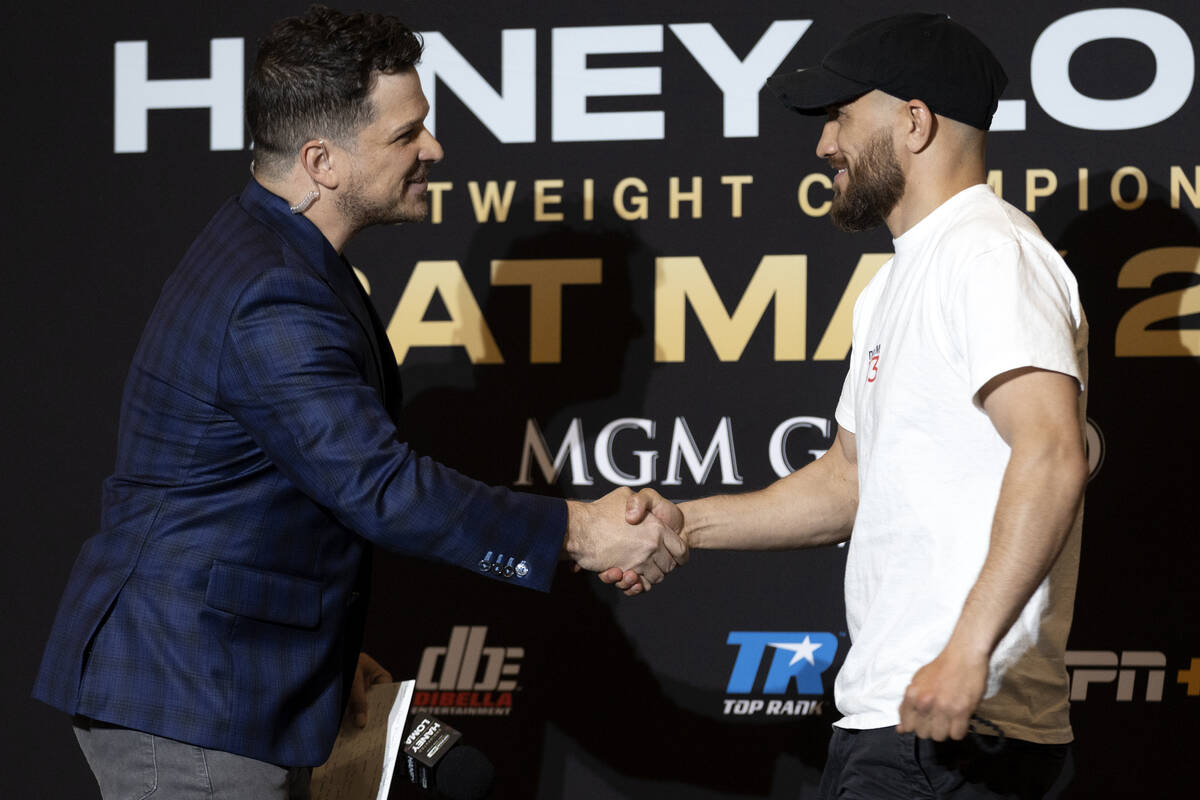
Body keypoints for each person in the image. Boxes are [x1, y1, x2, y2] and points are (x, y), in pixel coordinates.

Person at [33, 6, 685, 798]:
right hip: (193, 700)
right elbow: (378, 488)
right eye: (406, 135)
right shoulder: (272, 289)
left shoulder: (278, 253)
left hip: (218, 684)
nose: (433, 149)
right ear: (322, 161)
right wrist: (579, 531)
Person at [613, 12, 1088, 798]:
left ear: (914, 121)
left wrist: (967, 652)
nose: (824, 144)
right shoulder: (896, 283)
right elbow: (847, 480)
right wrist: (681, 525)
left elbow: (1051, 451)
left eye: (840, 115)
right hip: (890, 722)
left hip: (960, 731)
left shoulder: (989, 254)